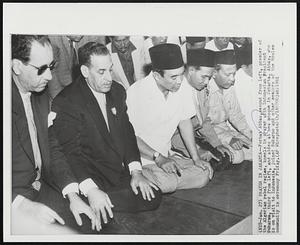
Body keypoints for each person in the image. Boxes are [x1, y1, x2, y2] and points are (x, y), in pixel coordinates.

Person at [51, 42, 162, 230]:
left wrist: (136, 172)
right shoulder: (67, 101)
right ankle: (89, 201)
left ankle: (100, 204)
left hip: (113, 172)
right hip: (86, 174)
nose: (109, 78)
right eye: (101, 72)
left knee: (153, 195)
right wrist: (91, 190)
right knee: (95, 223)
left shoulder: (117, 92)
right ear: (85, 71)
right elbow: (71, 153)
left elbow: (127, 132)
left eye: (110, 70)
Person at [11, 35, 97, 234]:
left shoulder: (40, 96)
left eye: (52, 66)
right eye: (41, 69)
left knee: (89, 222)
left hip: (41, 185)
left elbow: (54, 148)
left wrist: (72, 194)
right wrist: (20, 206)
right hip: (13, 196)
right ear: (16, 66)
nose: (50, 76)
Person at [126, 43, 213, 194]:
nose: (179, 81)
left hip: (167, 156)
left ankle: (165, 178)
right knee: (168, 183)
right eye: (173, 77)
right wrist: (158, 158)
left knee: (203, 174)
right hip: (142, 159)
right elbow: (128, 136)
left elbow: (184, 122)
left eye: (181, 74)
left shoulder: (181, 87)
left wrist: (195, 157)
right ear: (156, 75)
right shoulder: (136, 93)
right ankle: (150, 178)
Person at [171, 49, 234, 170]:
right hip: (177, 141)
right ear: (191, 70)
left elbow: (204, 120)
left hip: (195, 136)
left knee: (223, 157)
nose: (206, 82)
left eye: (209, 78)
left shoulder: (200, 87)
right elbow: (172, 135)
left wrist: (217, 144)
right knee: (206, 167)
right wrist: (198, 151)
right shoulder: (176, 91)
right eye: (204, 77)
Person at [207, 50, 252, 163]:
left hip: (224, 129)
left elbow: (236, 115)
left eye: (234, 74)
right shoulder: (205, 90)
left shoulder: (229, 86)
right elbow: (204, 126)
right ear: (214, 73)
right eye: (228, 74)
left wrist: (250, 135)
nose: (232, 79)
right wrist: (229, 139)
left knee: (256, 149)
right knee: (237, 156)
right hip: (209, 134)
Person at [47, 35, 106, 100]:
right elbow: (52, 73)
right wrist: (59, 100)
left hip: (89, 85)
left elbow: (101, 64)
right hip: (62, 86)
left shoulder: (93, 35)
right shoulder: (53, 39)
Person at [234, 45, 255, 130]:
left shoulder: (251, 76)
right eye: (254, 66)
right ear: (244, 67)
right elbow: (245, 112)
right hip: (244, 127)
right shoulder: (238, 81)